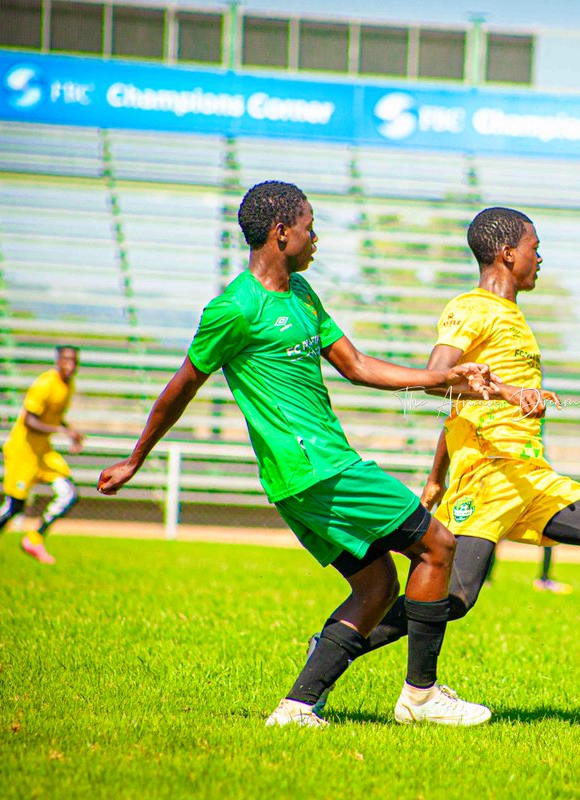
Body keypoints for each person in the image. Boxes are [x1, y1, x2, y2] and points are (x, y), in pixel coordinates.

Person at [97, 181, 496, 728]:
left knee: (377, 587)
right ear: (281, 233)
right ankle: (421, 697)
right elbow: (181, 385)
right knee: (438, 544)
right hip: (316, 470)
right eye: (309, 226)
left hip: (313, 472)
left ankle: (296, 706)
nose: (316, 236)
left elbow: (356, 365)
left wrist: (439, 377)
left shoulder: (303, 294)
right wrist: (136, 458)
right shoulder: (235, 308)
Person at [312, 208, 580, 714]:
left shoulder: (514, 317)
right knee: (455, 598)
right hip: (486, 474)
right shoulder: (472, 307)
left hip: (529, 473)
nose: (539, 257)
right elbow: (438, 376)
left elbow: (460, 401)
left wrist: (435, 474)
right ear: (508, 254)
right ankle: (333, 652)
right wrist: (503, 395)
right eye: (534, 247)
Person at [0, 345, 84, 564]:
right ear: (57, 361)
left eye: (74, 361)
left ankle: (35, 538)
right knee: (15, 507)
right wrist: (60, 430)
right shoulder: (45, 384)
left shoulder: (69, 386)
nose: (70, 365)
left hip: (43, 451)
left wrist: (69, 432)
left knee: (70, 493)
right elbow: (30, 420)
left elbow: (53, 417)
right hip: (23, 451)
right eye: (66, 360)